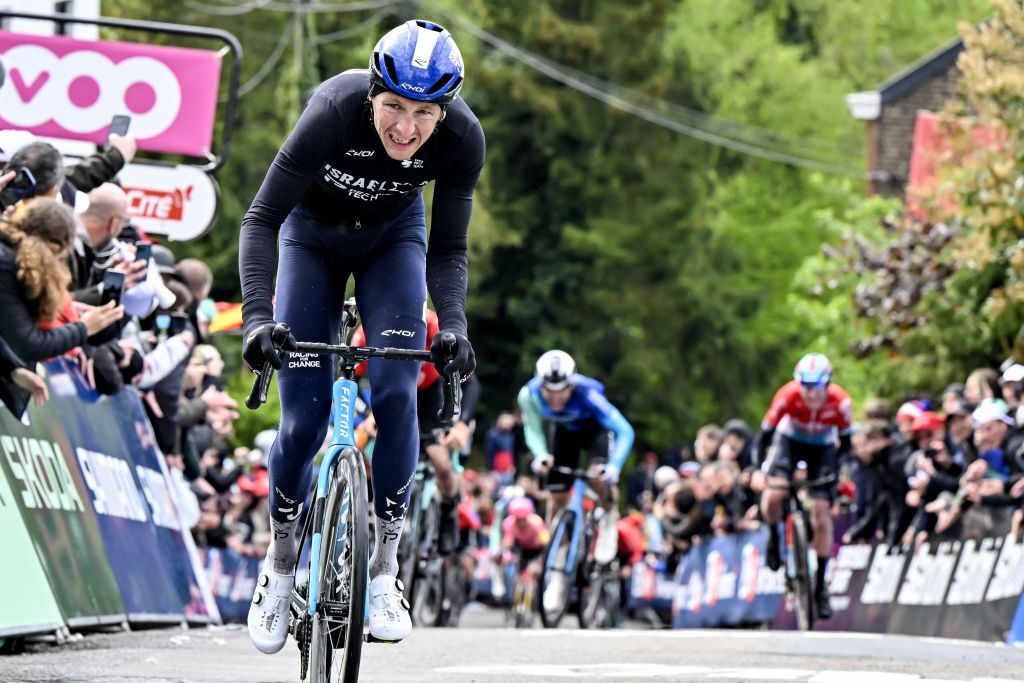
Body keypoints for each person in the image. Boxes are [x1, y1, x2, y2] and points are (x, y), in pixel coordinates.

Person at [239, 20, 483, 649]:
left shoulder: (462, 139)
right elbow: (262, 217)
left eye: (423, 114)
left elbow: (450, 247)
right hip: (310, 239)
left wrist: (452, 326)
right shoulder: (333, 109)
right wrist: (258, 320)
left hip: (392, 242)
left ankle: (384, 568)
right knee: (303, 420)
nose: (405, 128)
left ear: (445, 112)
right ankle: (283, 558)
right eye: (393, 107)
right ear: (373, 93)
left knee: (401, 394)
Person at [757, 352, 852, 620]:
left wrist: (840, 474)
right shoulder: (787, 395)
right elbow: (763, 437)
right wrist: (756, 470)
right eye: (806, 387)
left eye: (817, 388)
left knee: (821, 514)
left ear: (828, 384)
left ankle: (820, 587)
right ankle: (774, 537)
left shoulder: (841, 402)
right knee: (774, 495)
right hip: (789, 443)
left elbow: (846, 445)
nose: (811, 395)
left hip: (822, 449)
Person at [519, 350, 634, 564]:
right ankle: (558, 553)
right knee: (557, 496)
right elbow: (532, 429)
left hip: (595, 431)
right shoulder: (529, 395)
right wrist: (541, 454)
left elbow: (625, 431)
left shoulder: (590, 395)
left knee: (598, 476)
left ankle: (609, 518)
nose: (554, 398)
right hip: (564, 433)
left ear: (570, 385)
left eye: (561, 391)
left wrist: (614, 466)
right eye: (548, 391)